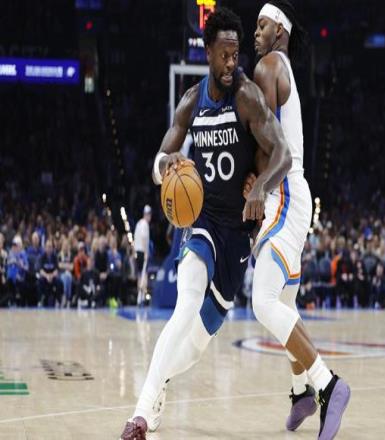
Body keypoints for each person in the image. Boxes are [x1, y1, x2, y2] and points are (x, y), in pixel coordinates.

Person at [120, 8, 292, 439]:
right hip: (201, 220)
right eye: (225, 55)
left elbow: (284, 154)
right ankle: (141, 414)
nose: (232, 63)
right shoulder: (191, 101)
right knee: (185, 304)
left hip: (238, 231)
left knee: (197, 345)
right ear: (208, 53)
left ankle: (159, 384)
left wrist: (261, 187)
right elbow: (159, 160)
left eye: (236, 54)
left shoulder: (247, 96)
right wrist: (166, 165)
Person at [247, 2, 350, 438]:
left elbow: (270, 147)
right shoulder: (280, 66)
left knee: (262, 300)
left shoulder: (269, 65)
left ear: (281, 31)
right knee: (283, 304)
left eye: (262, 25)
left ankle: (328, 385)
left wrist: (253, 184)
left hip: (285, 191)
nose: (255, 32)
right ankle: (300, 392)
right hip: (288, 192)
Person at [134, 205, 151, 306]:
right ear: (147, 215)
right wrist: (146, 252)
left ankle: (139, 298)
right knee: (144, 275)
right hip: (142, 251)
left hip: (137, 251)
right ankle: (143, 297)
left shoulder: (138, 223)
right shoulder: (145, 224)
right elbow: (144, 238)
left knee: (139, 275)